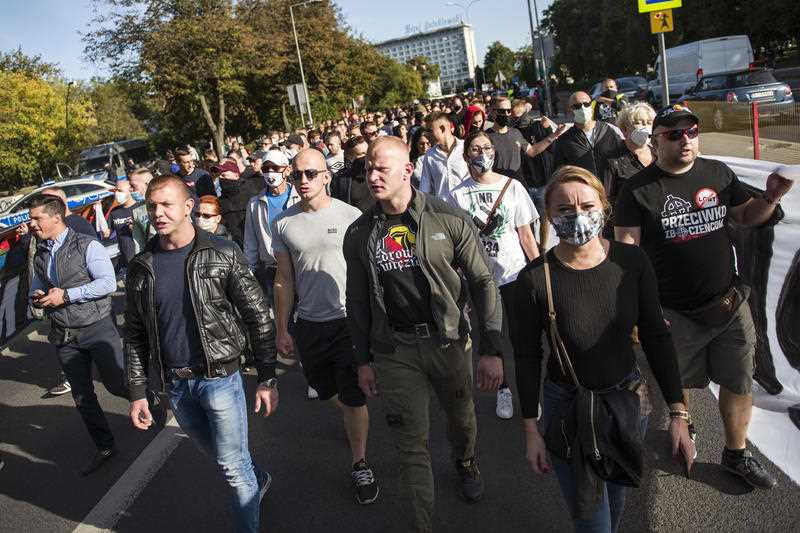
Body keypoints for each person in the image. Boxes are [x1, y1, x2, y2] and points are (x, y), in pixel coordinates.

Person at [614, 104, 793, 490]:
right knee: (676, 381)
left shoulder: (717, 174)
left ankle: (736, 453)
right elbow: (626, 251)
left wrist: (772, 198)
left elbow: (746, 217)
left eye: (692, 132)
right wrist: (633, 312)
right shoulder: (637, 190)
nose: (686, 141)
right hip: (671, 312)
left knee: (739, 379)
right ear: (656, 140)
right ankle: (684, 425)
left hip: (728, 304)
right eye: (675, 134)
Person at [510, 165, 693, 532]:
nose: (577, 215)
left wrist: (678, 413)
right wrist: (531, 429)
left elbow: (656, 336)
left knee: (617, 496)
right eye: (564, 209)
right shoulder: (532, 279)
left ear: (604, 207)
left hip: (627, 403)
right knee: (593, 520)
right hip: (568, 410)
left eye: (587, 205)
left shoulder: (631, 263)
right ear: (548, 214)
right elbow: (527, 357)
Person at [344, 137, 504, 533]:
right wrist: (363, 360)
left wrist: (492, 348)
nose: (373, 175)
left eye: (382, 168)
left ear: (407, 170)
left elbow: (484, 281)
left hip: (448, 342)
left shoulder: (447, 217)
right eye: (368, 168)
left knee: (461, 419)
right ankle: (423, 524)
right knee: (410, 444)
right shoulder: (360, 233)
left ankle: (465, 461)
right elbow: (357, 301)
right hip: (394, 350)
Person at [125, 175, 277, 533]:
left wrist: (267, 376)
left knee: (232, 469)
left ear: (188, 207)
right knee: (226, 458)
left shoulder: (221, 251)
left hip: (220, 379)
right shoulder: (141, 265)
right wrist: (137, 392)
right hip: (176, 385)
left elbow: (258, 315)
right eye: (152, 206)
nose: (158, 213)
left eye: (166, 204)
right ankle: (260, 479)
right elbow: (134, 334)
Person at [272, 149, 380, 505]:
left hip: (348, 322)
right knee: (323, 386)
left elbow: (370, 271)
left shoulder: (351, 216)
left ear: (325, 177)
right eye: (296, 175)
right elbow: (284, 279)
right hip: (310, 326)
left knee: (351, 394)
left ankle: (360, 461)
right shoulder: (284, 223)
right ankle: (355, 415)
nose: (302, 181)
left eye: (310, 173)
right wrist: (282, 328)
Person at [28, 195, 129, 475]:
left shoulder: (87, 244)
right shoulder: (41, 250)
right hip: (64, 333)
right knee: (82, 396)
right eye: (31, 218)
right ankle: (105, 446)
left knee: (116, 384)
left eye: (37, 218)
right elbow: (39, 281)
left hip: (96, 326)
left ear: (56, 217)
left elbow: (108, 283)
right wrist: (37, 295)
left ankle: (150, 399)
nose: (32, 224)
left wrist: (68, 295)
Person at [448, 131, 541, 420]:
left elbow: (526, 234)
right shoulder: (455, 195)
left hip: (514, 275)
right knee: (492, 339)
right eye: (475, 149)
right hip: (479, 280)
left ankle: (529, 393)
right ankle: (504, 390)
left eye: (487, 147)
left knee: (524, 340)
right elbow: (450, 242)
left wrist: (540, 273)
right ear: (465, 156)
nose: (482, 153)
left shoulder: (512, 187)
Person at [243, 149, 299, 304]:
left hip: (299, 265)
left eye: (275, 168)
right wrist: (250, 269)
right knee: (280, 316)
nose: (270, 173)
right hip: (271, 270)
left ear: (287, 170)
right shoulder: (255, 204)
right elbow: (250, 240)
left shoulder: (299, 197)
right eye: (266, 169)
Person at [489, 96, 567, 182]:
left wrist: (555, 134)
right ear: (492, 112)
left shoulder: (515, 133)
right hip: (498, 185)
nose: (506, 114)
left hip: (519, 185)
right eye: (501, 111)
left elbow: (532, 151)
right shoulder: (486, 137)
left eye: (509, 111)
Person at [552, 91, 625, 182]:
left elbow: (624, 159)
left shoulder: (610, 130)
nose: (582, 108)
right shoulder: (564, 140)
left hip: (611, 192)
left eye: (586, 104)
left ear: (591, 106)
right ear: (570, 110)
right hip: (584, 193)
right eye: (577, 106)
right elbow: (559, 173)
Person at [603, 102, 657, 208]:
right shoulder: (612, 160)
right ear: (624, 129)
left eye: (648, 122)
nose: (645, 127)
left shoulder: (659, 153)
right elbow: (606, 198)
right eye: (638, 122)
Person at [419, 112, 470, 198]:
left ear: (442, 129)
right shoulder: (429, 156)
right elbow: (425, 188)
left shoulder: (466, 148)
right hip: (442, 209)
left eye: (430, 131)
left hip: (466, 207)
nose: (427, 135)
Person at [216, 160, 263, 248]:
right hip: (235, 247)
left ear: (236, 175)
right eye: (219, 175)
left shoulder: (252, 188)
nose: (220, 177)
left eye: (223, 174)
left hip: (258, 243)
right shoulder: (221, 200)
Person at [107, 179, 138, 272]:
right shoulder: (114, 212)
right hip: (126, 260)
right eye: (115, 190)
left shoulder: (140, 207)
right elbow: (107, 234)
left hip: (142, 257)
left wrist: (135, 228)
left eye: (120, 191)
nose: (117, 193)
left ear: (131, 190)